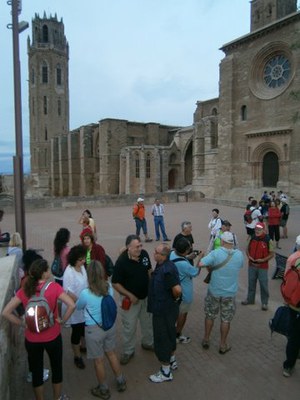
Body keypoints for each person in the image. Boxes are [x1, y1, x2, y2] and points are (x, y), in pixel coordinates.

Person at [2, 258, 75, 400]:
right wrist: (62, 320)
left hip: (32, 338)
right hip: (53, 336)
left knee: (36, 372)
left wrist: (22, 323)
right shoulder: (54, 288)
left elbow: (5, 312)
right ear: (44, 274)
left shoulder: (25, 290)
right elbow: (71, 305)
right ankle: (57, 398)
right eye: (47, 269)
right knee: (56, 369)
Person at [76, 260, 126, 398]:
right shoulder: (108, 286)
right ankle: (120, 380)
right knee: (111, 353)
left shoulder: (86, 293)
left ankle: (103, 389)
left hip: (94, 329)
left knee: (98, 360)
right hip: (109, 325)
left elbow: (79, 306)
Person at [198, 231, 244, 354]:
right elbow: (239, 266)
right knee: (226, 320)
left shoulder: (216, 253)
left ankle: (206, 339)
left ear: (222, 241)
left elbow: (201, 264)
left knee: (210, 315)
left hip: (214, 291)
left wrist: (201, 257)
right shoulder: (239, 255)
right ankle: (223, 345)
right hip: (229, 293)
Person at [111, 234, 153, 365]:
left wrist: (152, 287)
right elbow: (115, 283)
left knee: (148, 323)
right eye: (136, 247)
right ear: (128, 247)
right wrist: (130, 295)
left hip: (145, 298)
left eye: (140, 246)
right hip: (130, 301)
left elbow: (149, 271)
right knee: (129, 327)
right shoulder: (121, 262)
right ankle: (128, 351)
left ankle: (148, 343)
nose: (139, 249)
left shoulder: (144, 254)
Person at [148, 243, 182, 383]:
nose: (154, 254)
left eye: (156, 252)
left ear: (163, 256)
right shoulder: (163, 265)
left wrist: (174, 299)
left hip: (163, 310)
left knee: (162, 338)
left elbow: (177, 290)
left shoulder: (166, 270)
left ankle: (165, 371)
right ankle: (172, 359)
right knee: (170, 334)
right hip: (167, 308)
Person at [169, 238, 202, 344]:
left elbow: (180, 258)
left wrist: (188, 257)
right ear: (185, 251)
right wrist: (199, 259)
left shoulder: (172, 254)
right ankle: (177, 334)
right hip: (185, 292)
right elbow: (195, 272)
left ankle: (172, 331)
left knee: (175, 311)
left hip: (174, 289)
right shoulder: (184, 264)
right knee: (183, 313)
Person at [63, 245, 88, 370]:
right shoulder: (69, 272)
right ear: (74, 260)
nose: (83, 261)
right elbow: (68, 292)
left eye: (83, 258)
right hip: (75, 307)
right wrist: (81, 302)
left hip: (83, 305)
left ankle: (83, 347)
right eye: (80, 259)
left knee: (84, 328)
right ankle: (77, 356)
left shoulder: (82, 267)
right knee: (76, 331)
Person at [241, 222, 274, 310]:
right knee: (251, 283)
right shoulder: (252, 237)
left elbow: (272, 254)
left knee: (263, 284)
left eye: (259, 229)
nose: (257, 231)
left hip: (262, 266)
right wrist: (249, 256)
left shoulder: (268, 240)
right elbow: (247, 248)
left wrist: (263, 260)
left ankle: (264, 303)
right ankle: (250, 299)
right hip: (251, 264)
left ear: (263, 230)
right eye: (256, 229)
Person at [282, 257, 300, 377]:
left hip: (295, 305)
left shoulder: (297, 261)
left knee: (293, 338)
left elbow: (288, 280)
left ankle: (288, 366)